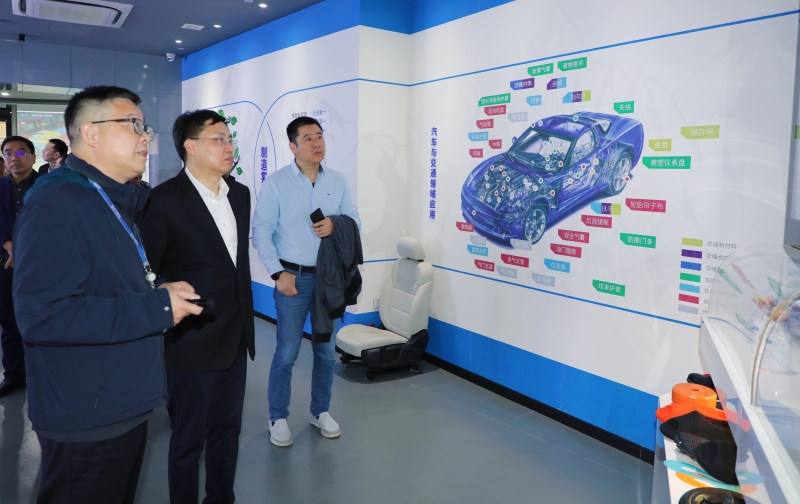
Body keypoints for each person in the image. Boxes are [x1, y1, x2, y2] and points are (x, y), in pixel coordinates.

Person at [12, 86, 204, 504]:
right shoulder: (58, 201)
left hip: (119, 401)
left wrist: (156, 288)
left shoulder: (111, 197)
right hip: (87, 414)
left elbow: (103, 283)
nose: (144, 137)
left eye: (145, 127)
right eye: (132, 124)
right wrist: (156, 308)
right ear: (91, 133)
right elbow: (44, 316)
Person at [140, 110, 255, 504]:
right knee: (188, 441)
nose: (229, 147)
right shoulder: (163, 200)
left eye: (229, 139)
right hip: (191, 340)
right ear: (190, 146)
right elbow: (147, 272)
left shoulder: (240, 194)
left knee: (228, 431)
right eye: (219, 139)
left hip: (236, 336)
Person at [252, 116, 360, 447]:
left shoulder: (338, 181)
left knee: (326, 352)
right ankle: (278, 416)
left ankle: (320, 411)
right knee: (286, 352)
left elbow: (354, 220)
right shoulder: (277, 183)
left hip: (329, 280)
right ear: (293, 146)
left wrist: (336, 225)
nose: (317, 143)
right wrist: (277, 273)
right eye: (308, 138)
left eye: (320, 136)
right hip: (293, 279)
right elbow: (261, 232)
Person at [0, 135, 40, 397]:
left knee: (42, 321)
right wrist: (7, 243)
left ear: (33, 157)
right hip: (6, 267)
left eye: (21, 152)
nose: (14, 158)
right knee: (9, 323)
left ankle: (43, 376)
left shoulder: (49, 186)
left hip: (41, 266)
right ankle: (14, 376)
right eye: (8, 153)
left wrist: (25, 246)